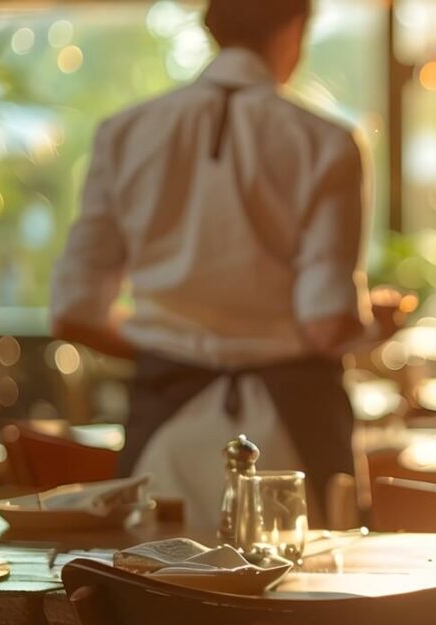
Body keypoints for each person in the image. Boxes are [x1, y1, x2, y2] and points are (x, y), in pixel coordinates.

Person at [51, 0, 382, 529]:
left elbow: (74, 313)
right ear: (294, 30)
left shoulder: (125, 133)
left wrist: (175, 340)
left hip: (165, 439)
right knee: (308, 602)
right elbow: (325, 326)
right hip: (289, 446)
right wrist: (370, 322)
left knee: (154, 595)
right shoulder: (328, 143)